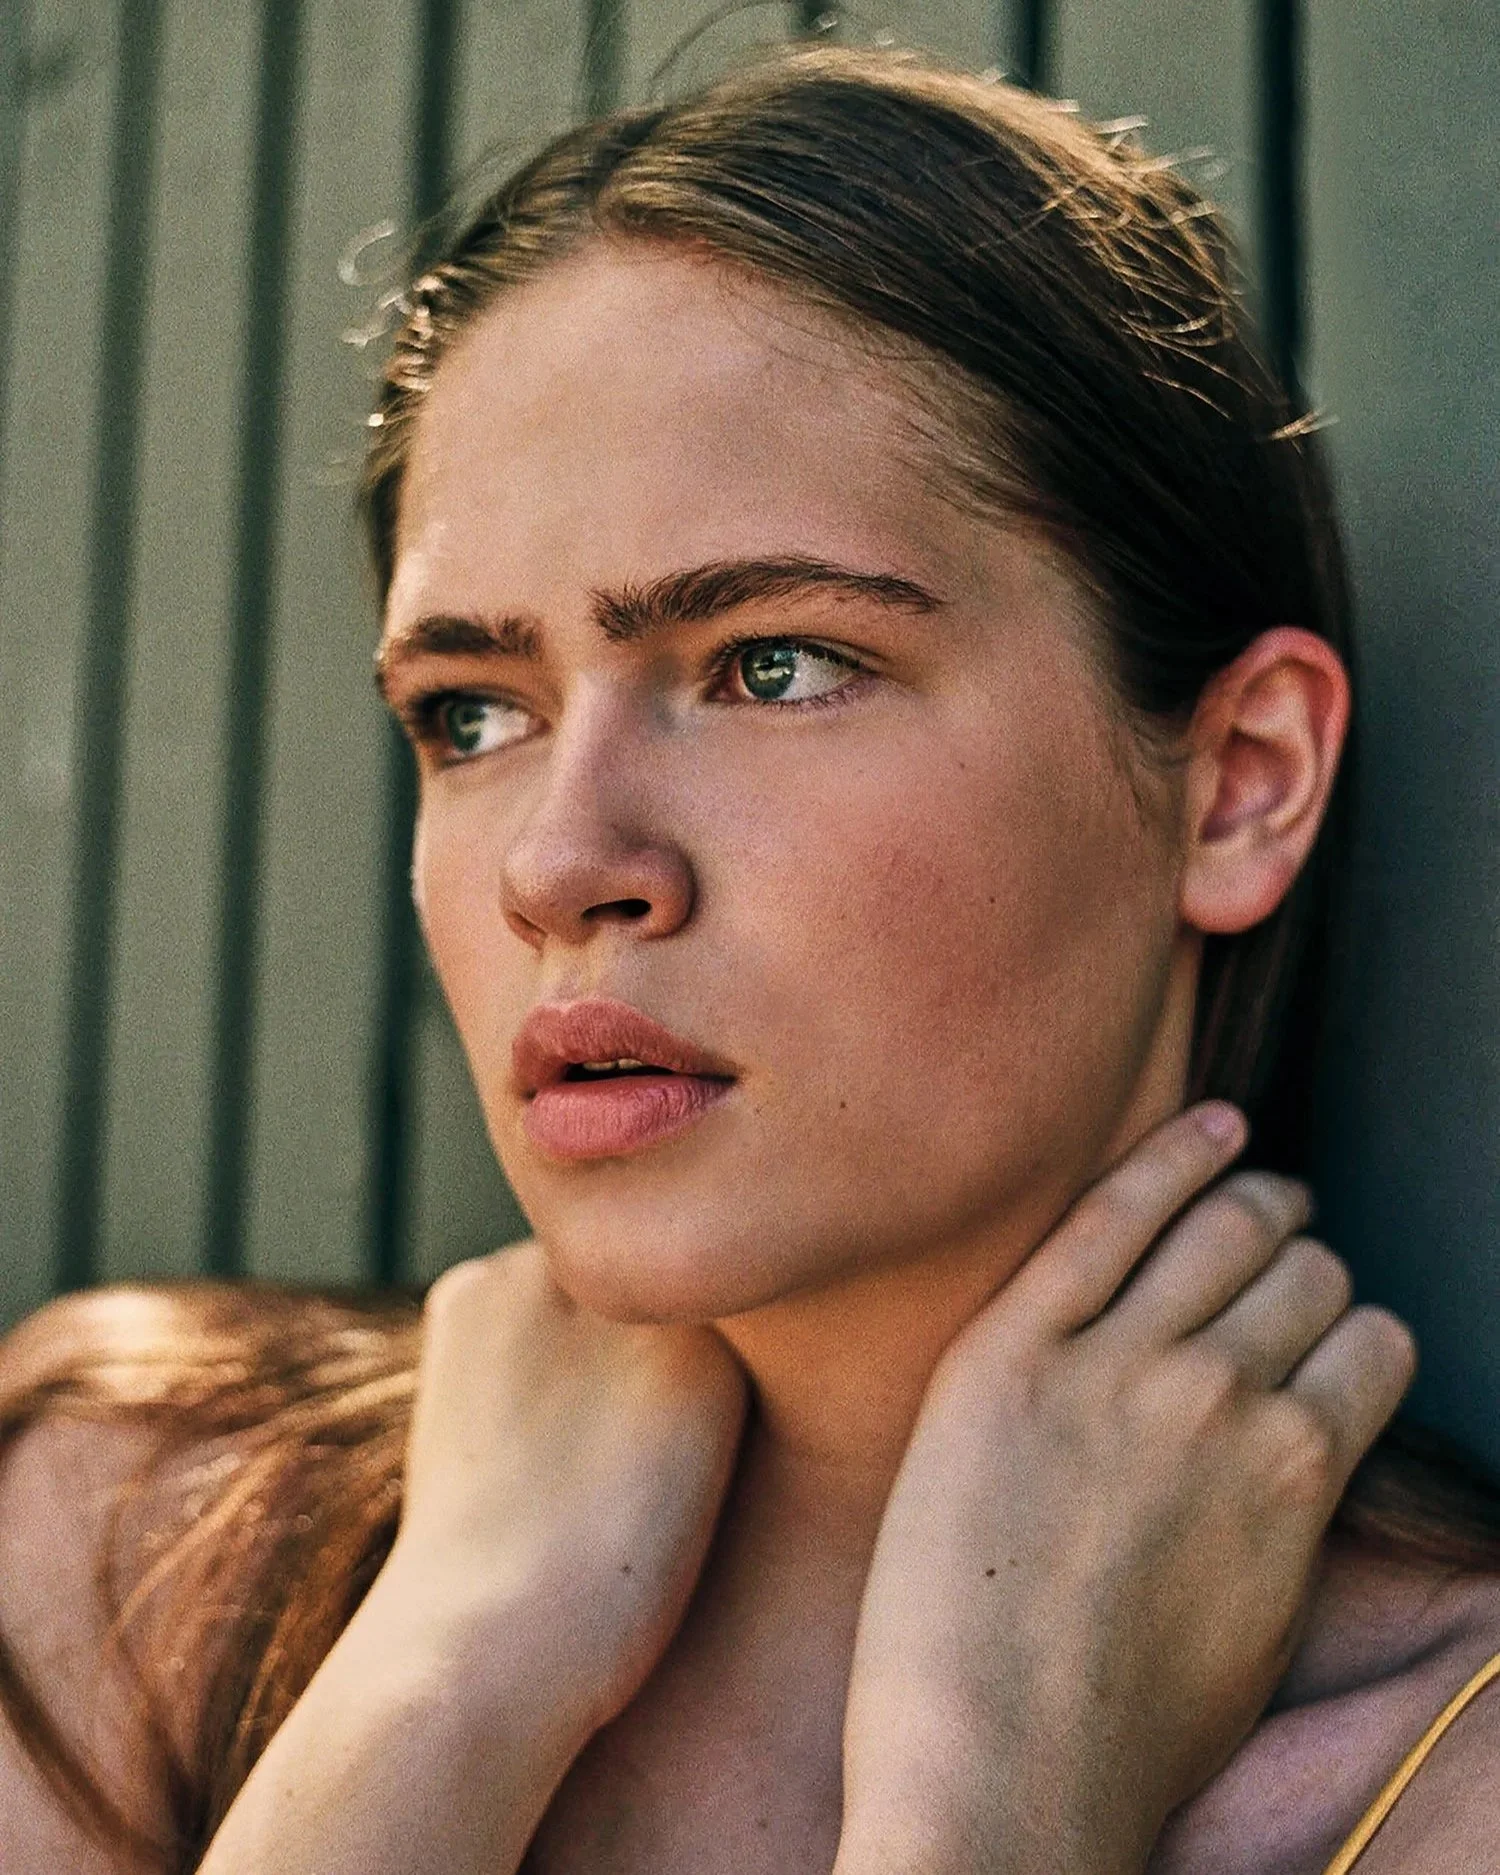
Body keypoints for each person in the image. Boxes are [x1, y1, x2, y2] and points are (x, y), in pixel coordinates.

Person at [2, 42, 1498, 1875]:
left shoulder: (1444, 1774)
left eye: (771, 663)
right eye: (472, 712)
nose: (560, 863)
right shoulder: (127, 1540)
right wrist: (437, 1691)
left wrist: (991, 1801)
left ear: (1239, 786)